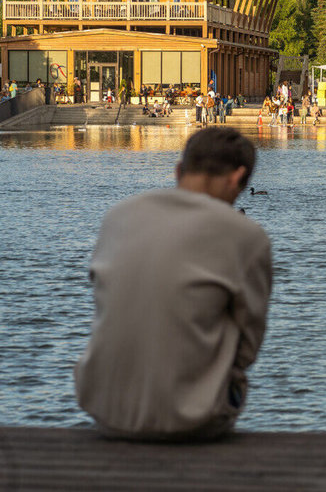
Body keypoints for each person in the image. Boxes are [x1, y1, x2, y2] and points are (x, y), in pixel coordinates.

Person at [75, 128, 272, 441]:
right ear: (237, 179)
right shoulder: (246, 235)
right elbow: (248, 346)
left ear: (179, 170)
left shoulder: (119, 216)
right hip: (192, 419)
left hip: (104, 411)